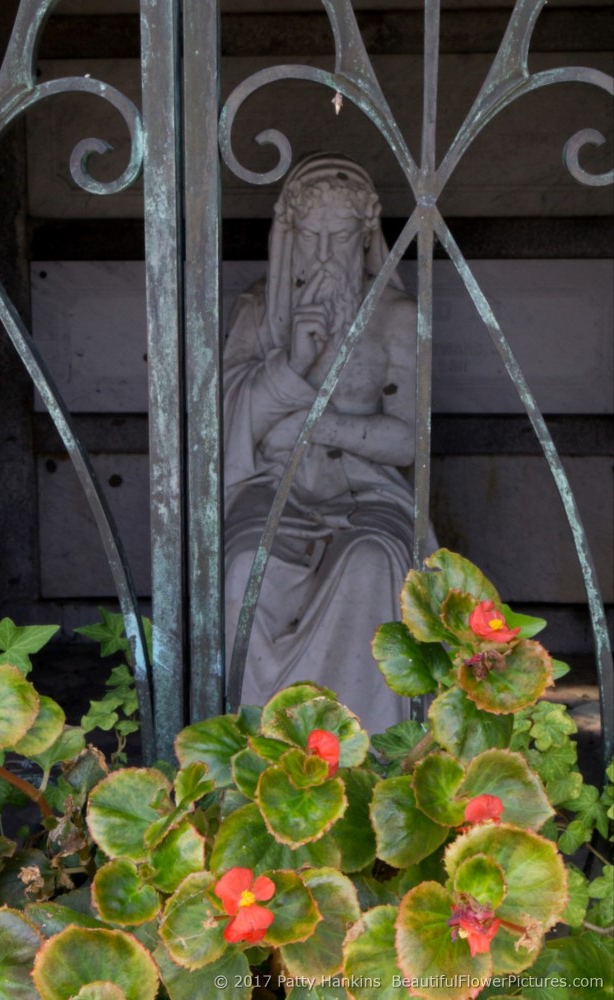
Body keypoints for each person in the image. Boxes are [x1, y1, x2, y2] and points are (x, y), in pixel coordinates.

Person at [223, 153, 429, 734]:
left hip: (367, 492)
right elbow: (233, 420)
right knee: (246, 569)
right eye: (308, 237)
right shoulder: (259, 311)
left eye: (338, 237)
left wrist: (319, 426)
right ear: (287, 236)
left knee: (371, 563)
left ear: (366, 236)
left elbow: (409, 441)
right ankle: (260, 749)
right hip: (273, 489)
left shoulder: (395, 315)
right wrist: (293, 363)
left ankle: (370, 753)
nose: (321, 255)